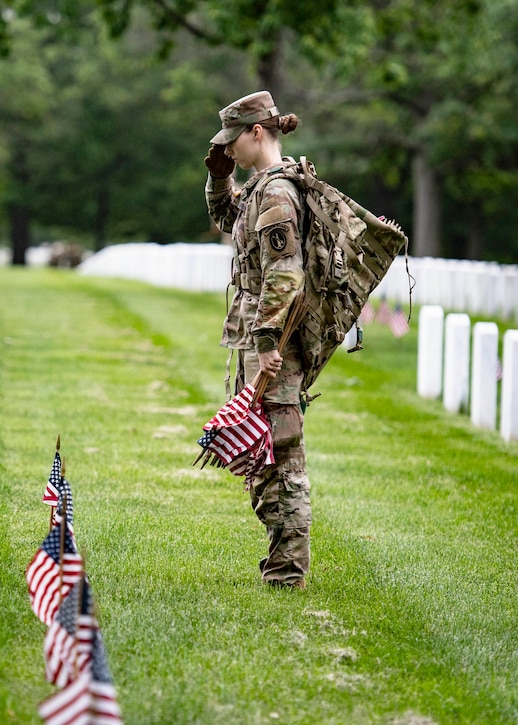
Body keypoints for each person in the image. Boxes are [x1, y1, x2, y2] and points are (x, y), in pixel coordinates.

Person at [204, 91, 310, 589]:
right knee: (264, 453)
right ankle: (280, 561)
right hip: (259, 338)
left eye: (233, 142)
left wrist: (267, 342)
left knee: (281, 454)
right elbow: (229, 222)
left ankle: (288, 570)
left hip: (273, 343)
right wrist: (218, 177)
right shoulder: (258, 189)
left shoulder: (277, 195)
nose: (229, 150)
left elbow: (284, 274)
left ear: (257, 132)